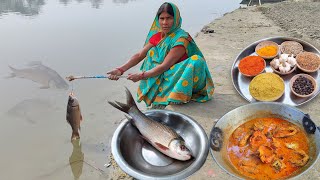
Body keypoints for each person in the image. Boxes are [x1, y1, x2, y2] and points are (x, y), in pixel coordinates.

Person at [107, 2, 214, 109]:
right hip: (166, 75)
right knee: (152, 51)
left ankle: (178, 94)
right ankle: (159, 93)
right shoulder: (158, 36)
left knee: (196, 60)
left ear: (176, 19)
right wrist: (120, 70)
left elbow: (164, 66)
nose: (164, 22)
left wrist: (141, 76)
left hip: (181, 77)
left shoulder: (181, 39)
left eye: (169, 18)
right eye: (161, 18)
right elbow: (140, 55)